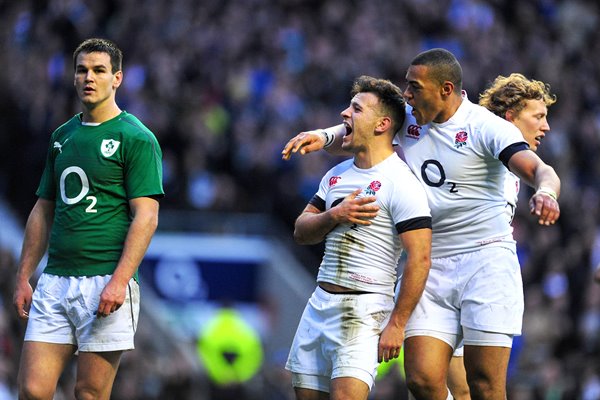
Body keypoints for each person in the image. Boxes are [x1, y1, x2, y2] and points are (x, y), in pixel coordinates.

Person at [282, 48, 561, 400]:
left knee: (485, 385)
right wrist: (322, 136)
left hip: (486, 262)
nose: (407, 96)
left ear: (445, 89)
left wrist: (547, 192)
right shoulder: (412, 120)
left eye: (414, 87)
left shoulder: (486, 128)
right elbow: (367, 125)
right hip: (433, 263)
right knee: (421, 379)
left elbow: (539, 169)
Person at [12, 38, 164, 400]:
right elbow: (42, 209)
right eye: (82, 70)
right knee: (32, 391)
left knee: (90, 394)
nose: (89, 77)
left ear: (118, 79)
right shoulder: (61, 137)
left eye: (99, 70)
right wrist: (22, 276)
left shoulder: (136, 137)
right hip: (55, 279)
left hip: (106, 281)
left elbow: (147, 215)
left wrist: (119, 281)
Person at [285, 75, 432, 400]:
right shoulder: (337, 175)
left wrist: (397, 323)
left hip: (364, 309)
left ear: (382, 124)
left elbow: (420, 258)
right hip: (318, 303)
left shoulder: (401, 183)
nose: (344, 115)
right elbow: (300, 230)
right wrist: (334, 215)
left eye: (355, 109)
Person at [445, 72, 558, 400]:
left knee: (468, 388)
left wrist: (546, 191)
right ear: (510, 117)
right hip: (445, 270)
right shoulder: (478, 139)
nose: (546, 127)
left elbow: (543, 172)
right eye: (538, 117)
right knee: (434, 383)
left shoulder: (511, 159)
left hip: (481, 279)